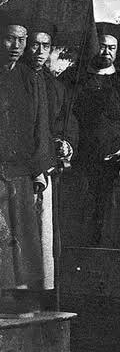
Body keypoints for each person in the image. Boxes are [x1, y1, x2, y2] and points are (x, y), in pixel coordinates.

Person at [64, 22, 120, 248]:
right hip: (80, 160)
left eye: (112, 48)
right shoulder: (73, 78)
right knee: (79, 216)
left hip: (113, 162)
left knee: (109, 218)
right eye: (101, 47)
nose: (106, 52)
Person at [24, 19, 76, 289]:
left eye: (46, 46)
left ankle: (40, 289)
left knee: (42, 230)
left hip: (46, 165)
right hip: (19, 167)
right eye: (35, 45)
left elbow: (64, 122)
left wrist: (64, 141)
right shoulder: (14, 78)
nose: (40, 51)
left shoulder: (55, 86)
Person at [0, 14, 49, 290]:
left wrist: (38, 169)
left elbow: (40, 125)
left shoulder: (31, 78)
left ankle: (18, 294)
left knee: (21, 234)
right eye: (10, 39)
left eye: (21, 40)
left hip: (21, 169)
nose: (16, 46)